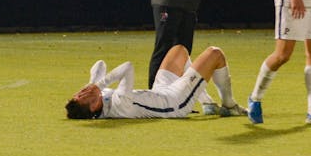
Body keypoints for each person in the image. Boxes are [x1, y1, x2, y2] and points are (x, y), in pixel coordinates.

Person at [64, 44, 247, 119]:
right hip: (175, 102)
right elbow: (127, 67)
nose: (83, 92)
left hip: (160, 91)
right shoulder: (120, 105)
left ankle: (207, 103)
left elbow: (100, 65)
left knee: (179, 50)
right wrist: (98, 85)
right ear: (94, 106)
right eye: (84, 97)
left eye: (79, 93)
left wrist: (92, 82)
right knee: (215, 54)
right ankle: (229, 105)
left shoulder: (97, 100)